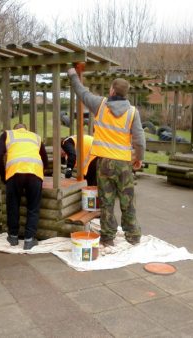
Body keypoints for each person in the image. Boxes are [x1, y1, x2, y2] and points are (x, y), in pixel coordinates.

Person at [67, 67, 146, 246]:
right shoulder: (133, 112)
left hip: (103, 163)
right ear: (125, 94)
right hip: (124, 164)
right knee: (128, 200)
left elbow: (82, 92)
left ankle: (108, 238)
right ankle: (133, 236)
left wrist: (73, 74)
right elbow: (139, 139)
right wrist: (139, 158)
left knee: (106, 201)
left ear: (112, 90)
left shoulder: (100, 104)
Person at [0, 123, 48, 250]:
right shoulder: (36, 137)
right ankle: (29, 240)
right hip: (34, 172)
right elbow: (45, 159)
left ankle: (13, 237)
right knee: (33, 207)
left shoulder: (8, 134)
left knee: (13, 205)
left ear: (15, 129)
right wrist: (40, 173)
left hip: (14, 173)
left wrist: (3, 175)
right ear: (25, 129)